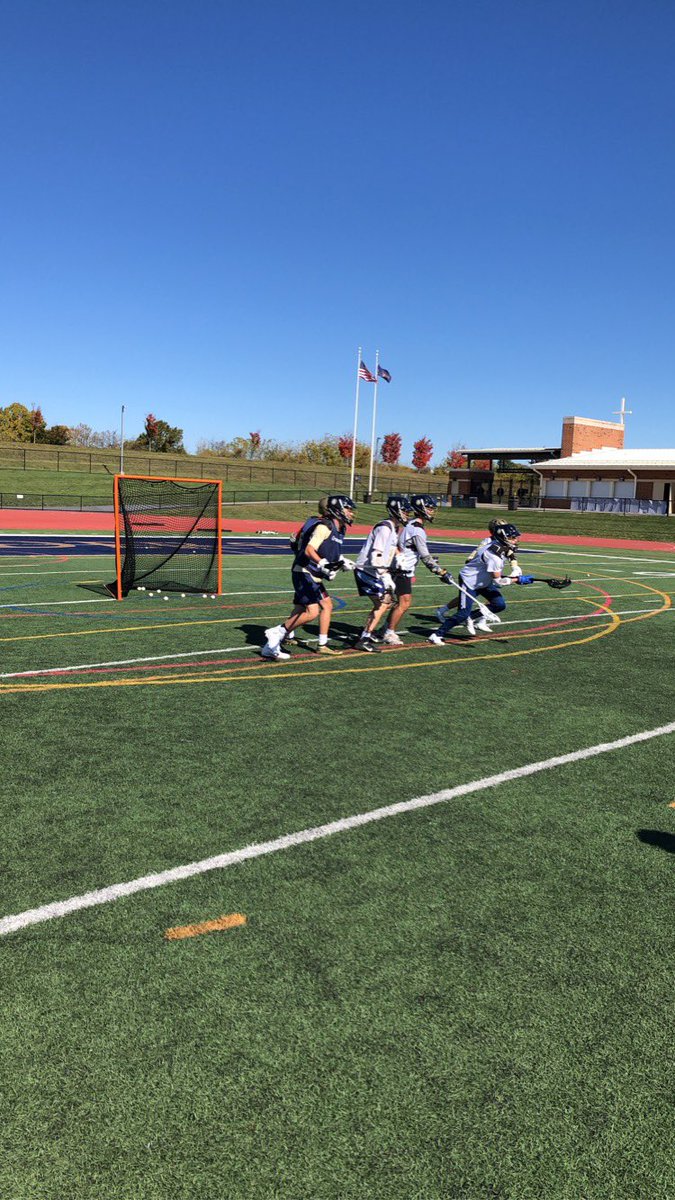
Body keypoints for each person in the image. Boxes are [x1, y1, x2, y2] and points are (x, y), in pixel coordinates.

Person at [261, 495, 356, 660]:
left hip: (311, 572)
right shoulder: (324, 526)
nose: (352, 513)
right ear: (337, 510)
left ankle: (271, 647)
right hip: (305, 571)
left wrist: (341, 562)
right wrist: (323, 563)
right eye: (348, 509)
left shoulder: (340, 529)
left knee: (310, 607)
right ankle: (278, 632)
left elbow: (329, 551)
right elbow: (309, 550)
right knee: (312, 612)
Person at [428, 523, 533, 643]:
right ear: (503, 538)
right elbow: (498, 580)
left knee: (499, 604)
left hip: (484, 581)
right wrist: (517, 580)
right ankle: (436, 635)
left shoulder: (498, 546)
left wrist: (515, 570)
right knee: (462, 613)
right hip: (470, 581)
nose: (515, 540)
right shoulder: (494, 557)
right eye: (512, 538)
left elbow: (507, 557)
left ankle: (471, 617)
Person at [382, 494, 455, 645]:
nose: (432, 511)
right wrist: (440, 571)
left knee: (398, 603)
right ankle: (389, 633)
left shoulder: (411, 524)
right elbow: (425, 556)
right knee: (404, 603)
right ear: (420, 508)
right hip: (402, 569)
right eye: (429, 508)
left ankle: (384, 629)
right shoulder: (417, 530)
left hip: (399, 567)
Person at [352, 495, 412, 652]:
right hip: (368, 570)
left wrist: (398, 557)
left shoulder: (393, 527)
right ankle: (364, 637)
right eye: (404, 511)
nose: (407, 514)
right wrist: (385, 575)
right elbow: (376, 555)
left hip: (373, 570)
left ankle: (366, 634)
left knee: (384, 602)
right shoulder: (385, 527)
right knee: (384, 603)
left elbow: (390, 549)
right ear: (395, 510)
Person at [435, 517, 520, 624]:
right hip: (478, 574)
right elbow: (476, 553)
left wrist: (515, 567)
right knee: (481, 597)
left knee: (479, 597)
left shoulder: (503, 542)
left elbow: (511, 555)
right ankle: (452, 614)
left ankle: (475, 618)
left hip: (488, 574)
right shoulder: (489, 541)